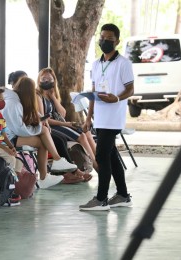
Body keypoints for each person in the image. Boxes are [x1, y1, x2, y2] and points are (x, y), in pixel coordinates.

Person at [79, 23, 134, 211]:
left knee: (101, 155)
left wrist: (117, 98)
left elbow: (130, 89)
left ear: (117, 41)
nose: (104, 41)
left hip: (114, 117)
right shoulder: (95, 64)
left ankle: (101, 199)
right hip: (100, 118)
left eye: (109, 39)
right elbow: (94, 92)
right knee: (110, 155)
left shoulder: (123, 63)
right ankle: (123, 195)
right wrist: (88, 118)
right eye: (102, 38)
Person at [2, 75, 78, 188]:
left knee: (44, 136)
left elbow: (27, 113)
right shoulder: (13, 103)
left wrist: (41, 119)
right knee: (43, 133)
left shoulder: (16, 99)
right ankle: (49, 170)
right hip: (7, 139)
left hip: (12, 135)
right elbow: (19, 129)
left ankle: (48, 172)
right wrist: (37, 127)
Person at [36, 67, 98, 172]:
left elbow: (62, 113)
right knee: (82, 136)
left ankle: (99, 161)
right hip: (51, 126)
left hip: (58, 124)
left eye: (50, 79)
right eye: (44, 78)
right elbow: (44, 119)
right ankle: (96, 166)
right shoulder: (38, 95)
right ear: (39, 80)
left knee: (86, 132)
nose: (46, 81)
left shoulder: (51, 94)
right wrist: (67, 124)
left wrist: (53, 97)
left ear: (54, 81)